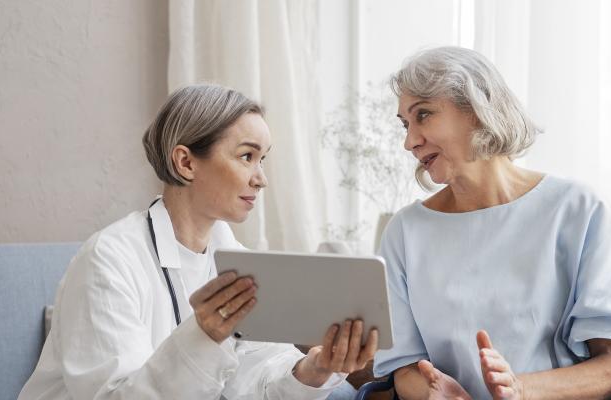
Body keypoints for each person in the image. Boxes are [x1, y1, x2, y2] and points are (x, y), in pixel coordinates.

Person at [19, 84, 377, 399]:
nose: (261, 179)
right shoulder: (108, 260)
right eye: (247, 156)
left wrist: (312, 370)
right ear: (186, 162)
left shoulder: (235, 259)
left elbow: (259, 379)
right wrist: (202, 334)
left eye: (262, 159)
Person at [372, 46, 611, 400]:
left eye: (423, 115)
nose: (409, 142)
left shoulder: (578, 211)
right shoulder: (405, 232)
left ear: (476, 111)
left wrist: (522, 390)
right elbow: (404, 368)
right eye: (405, 124)